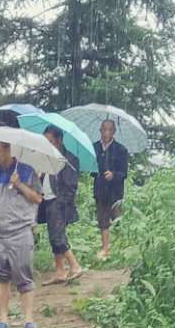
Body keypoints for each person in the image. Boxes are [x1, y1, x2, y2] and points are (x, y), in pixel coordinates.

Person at [0, 139, 44, 328]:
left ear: (7, 149)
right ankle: (2, 318)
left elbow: (38, 198)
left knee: (24, 276)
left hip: (20, 231)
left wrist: (19, 185)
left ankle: (28, 319)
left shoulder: (26, 171)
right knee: (2, 276)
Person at [42, 127, 84, 284]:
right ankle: (60, 271)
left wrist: (61, 203)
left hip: (58, 202)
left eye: (50, 141)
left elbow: (71, 185)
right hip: (46, 199)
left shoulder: (69, 159)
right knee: (53, 236)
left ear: (59, 140)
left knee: (58, 236)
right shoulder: (46, 157)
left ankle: (75, 266)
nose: (47, 143)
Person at [92, 118, 131, 260]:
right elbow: (91, 170)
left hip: (115, 192)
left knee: (117, 220)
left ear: (114, 132)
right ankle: (105, 249)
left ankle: (121, 250)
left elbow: (124, 173)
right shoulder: (94, 147)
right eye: (104, 129)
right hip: (100, 190)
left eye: (109, 129)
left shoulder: (121, 149)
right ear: (100, 131)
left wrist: (113, 175)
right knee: (103, 220)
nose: (106, 132)